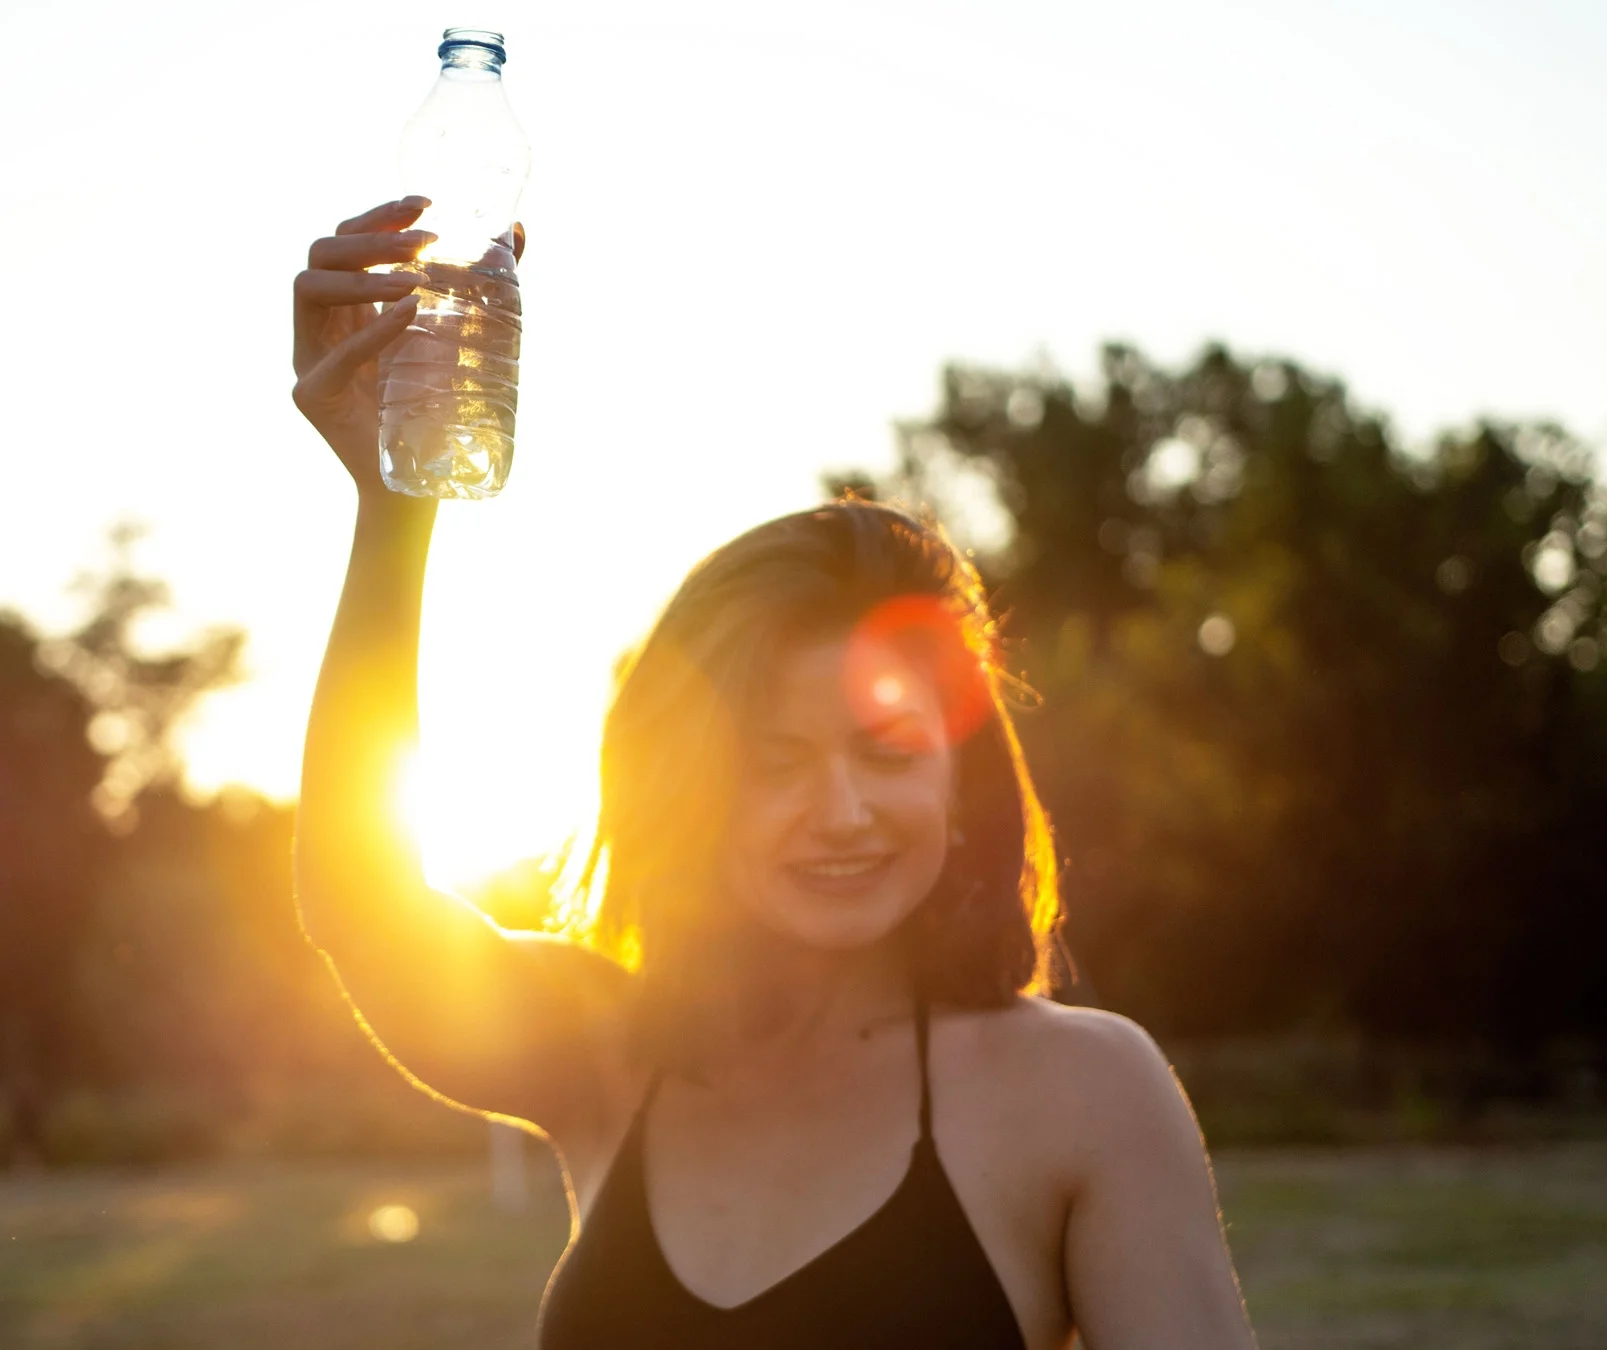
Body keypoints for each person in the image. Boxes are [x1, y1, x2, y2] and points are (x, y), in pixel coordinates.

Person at [291, 196, 1257, 1350]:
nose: (839, 812)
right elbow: (358, 895)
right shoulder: (610, 1050)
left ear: (961, 785)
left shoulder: (1085, 1091)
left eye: (887, 753)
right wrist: (396, 503)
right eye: (774, 762)